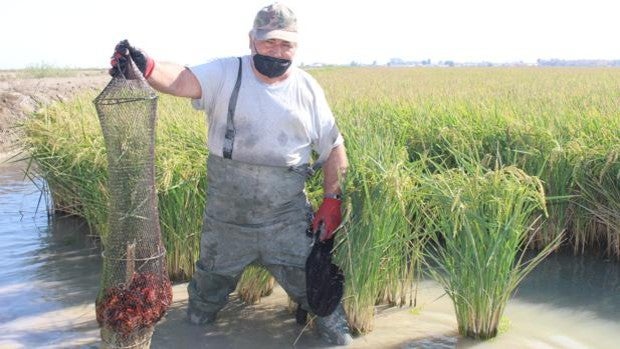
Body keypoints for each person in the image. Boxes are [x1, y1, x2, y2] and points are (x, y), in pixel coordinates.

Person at [109, 2, 352, 346]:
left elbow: (334, 150)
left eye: (286, 44)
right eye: (269, 42)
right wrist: (145, 65)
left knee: (322, 302)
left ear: (296, 46)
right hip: (225, 224)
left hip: (285, 222)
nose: (278, 50)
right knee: (201, 307)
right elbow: (181, 80)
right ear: (252, 40)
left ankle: (336, 334)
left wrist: (332, 200)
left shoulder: (308, 90)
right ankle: (195, 326)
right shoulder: (226, 72)